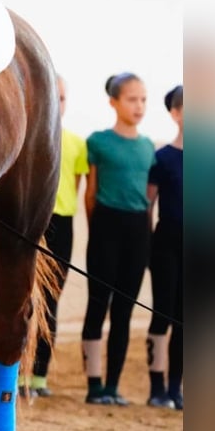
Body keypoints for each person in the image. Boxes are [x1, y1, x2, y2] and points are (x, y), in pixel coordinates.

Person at [81, 72, 155, 406]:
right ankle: (94, 385)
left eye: (143, 99)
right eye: (131, 99)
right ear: (113, 102)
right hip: (105, 227)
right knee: (98, 304)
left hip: (138, 229)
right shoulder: (98, 141)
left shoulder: (148, 146)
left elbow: (150, 198)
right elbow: (91, 194)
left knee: (124, 310)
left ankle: (113, 385)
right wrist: (96, 230)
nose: (139, 106)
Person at [25, 75, 88, 397]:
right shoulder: (27, 137)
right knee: (19, 299)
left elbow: (75, 190)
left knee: (50, 303)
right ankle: (14, 372)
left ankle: (39, 376)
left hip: (61, 225)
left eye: (63, 98)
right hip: (29, 222)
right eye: (55, 96)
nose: (58, 103)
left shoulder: (77, 144)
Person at [146, 85, 183, 409]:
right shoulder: (162, 158)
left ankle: (176, 387)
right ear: (175, 113)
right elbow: (149, 204)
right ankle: (157, 386)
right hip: (166, 242)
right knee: (162, 314)